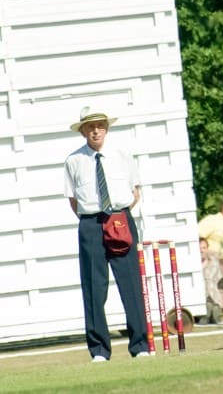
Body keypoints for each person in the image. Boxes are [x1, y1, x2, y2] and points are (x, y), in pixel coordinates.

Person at [63, 107, 149, 361]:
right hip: (91, 223)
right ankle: (99, 349)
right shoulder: (74, 160)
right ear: (82, 131)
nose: (95, 130)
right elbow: (73, 200)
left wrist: (117, 215)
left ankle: (140, 345)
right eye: (90, 126)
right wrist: (93, 219)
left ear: (107, 128)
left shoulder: (122, 154)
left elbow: (135, 192)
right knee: (93, 286)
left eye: (100, 125)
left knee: (130, 282)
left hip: (120, 218)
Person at [199, 237, 223, 324]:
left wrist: (222, 300)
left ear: (207, 249)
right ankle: (206, 315)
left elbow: (220, 284)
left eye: (204, 248)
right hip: (201, 300)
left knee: (214, 309)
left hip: (214, 298)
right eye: (199, 248)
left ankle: (214, 313)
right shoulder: (192, 267)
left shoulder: (215, 263)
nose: (201, 251)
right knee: (205, 313)